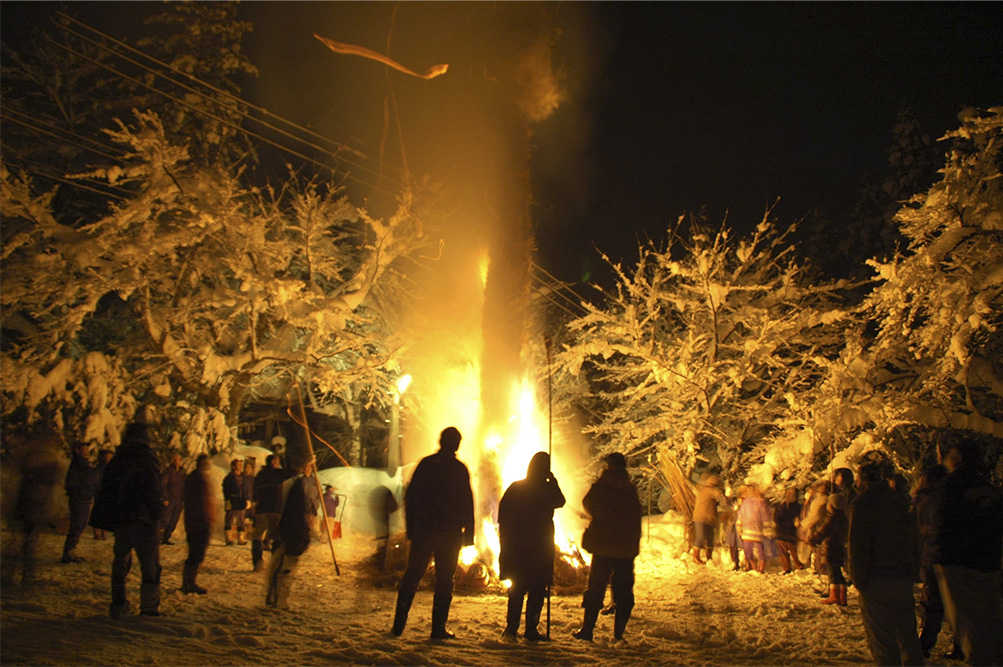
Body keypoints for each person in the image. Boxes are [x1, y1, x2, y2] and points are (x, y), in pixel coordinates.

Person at [391, 426, 475, 640]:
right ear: (455, 444)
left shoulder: (426, 465)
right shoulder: (458, 469)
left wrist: (411, 527)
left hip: (425, 531)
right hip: (449, 533)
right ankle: (438, 629)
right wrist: (469, 534)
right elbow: (467, 503)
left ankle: (398, 626)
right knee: (445, 580)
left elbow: (411, 498)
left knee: (412, 575)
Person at [847, 452, 924, 666]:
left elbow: (858, 544)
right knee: (907, 634)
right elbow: (914, 536)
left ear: (863, 480)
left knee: (882, 638)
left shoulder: (863, 504)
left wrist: (858, 577)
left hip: (877, 575)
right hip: (902, 573)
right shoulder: (899, 500)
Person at [929, 442, 1003, 666]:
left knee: (968, 621)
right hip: (988, 560)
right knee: (990, 617)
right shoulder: (987, 487)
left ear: (957, 459)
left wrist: (935, 553)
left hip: (956, 561)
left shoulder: (949, 487)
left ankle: (980, 660)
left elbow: (937, 522)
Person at [91, 420, 165, 618]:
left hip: (122, 519)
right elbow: (152, 489)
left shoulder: (118, 459)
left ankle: (118, 603)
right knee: (149, 565)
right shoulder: (146, 459)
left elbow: (106, 489)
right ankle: (149, 607)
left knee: (121, 562)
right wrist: (157, 513)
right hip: (143, 520)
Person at [573, 452, 642, 642]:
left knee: (596, 587)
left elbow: (588, 505)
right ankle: (619, 633)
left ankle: (587, 631)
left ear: (608, 467)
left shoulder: (601, 488)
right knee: (624, 590)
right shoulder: (630, 490)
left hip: (604, 547)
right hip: (625, 550)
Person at [498, 451, 566, 641]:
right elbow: (560, 501)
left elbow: (503, 515)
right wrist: (553, 481)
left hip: (520, 545)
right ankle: (530, 629)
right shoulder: (546, 489)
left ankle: (512, 629)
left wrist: (508, 538)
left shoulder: (516, 487)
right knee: (536, 589)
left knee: (519, 589)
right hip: (539, 545)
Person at [913, 464, 961, 659]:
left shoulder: (931, 499)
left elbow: (924, 528)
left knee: (933, 600)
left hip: (935, 555)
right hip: (949, 556)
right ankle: (956, 643)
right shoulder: (952, 497)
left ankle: (925, 642)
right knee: (952, 602)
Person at [4, 426, 62, 586]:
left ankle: (14, 572)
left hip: (29, 502)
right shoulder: (45, 456)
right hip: (35, 503)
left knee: (25, 540)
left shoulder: (33, 454)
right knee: (28, 541)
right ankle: (22, 573)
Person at [265, 458, 316, 609]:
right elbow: (294, 510)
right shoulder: (295, 485)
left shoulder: (289, 483)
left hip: (286, 528)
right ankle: (279, 599)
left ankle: (273, 596)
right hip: (291, 530)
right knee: (286, 567)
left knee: (280, 564)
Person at [251, 454, 295, 571]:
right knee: (275, 537)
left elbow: (254, 492)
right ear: (274, 462)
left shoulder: (259, 475)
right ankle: (276, 564)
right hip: (273, 510)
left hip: (260, 510)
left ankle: (257, 562)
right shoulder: (276, 473)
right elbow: (291, 471)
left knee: (257, 537)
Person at [181, 454, 215, 594]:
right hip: (198, 522)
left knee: (197, 554)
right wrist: (206, 518)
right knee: (196, 554)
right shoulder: (197, 480)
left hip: (199, 521)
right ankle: (188, 584)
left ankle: (190, 582)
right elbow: (200, 502)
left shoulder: (198, 478)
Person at [61, 441, 99, 563]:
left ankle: (70, 550)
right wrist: (100, 468)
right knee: (77, 524)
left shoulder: (81, 463)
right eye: (84, 448)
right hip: (80, 498)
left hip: (82, 498)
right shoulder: (79, 463)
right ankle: (68, 551)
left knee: (79, 524)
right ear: (77, 450)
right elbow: (89, 477)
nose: (87, 450)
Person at [811, 492, 849, 605]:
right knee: (837, 572)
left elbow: (823, 530)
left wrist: (813, 539)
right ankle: (842, 596)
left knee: (833, 572)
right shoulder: (843, 518)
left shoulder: (832, 518)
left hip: (831, 547)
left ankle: (834, 596)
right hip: (839, 547)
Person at [736, 483, 773, 573]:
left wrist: (739, 526)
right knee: (756, 549)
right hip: (751, 530)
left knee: (754, 549)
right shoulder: (750, 502)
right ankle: (756, 567)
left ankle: (758, 566)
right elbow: (741, 515)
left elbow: (765, 516)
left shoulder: (759, 502)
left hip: (753, 529)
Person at [691, 473, 724, 565]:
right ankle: (696, 557)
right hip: (702, 518)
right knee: (701, 537)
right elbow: (720, 497)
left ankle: (708, 557)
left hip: (705, 518)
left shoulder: (703, 490)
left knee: (709, 538)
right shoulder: (710, 490)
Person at [773, 487, 804, 574]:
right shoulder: (787, 506)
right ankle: (791, 567)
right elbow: (776, 518)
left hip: (787, 532)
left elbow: (776, 518)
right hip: (786, 532)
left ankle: (794, 566)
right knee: (787, 551)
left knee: (791, 551)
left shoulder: (783, 506)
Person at [159, 454, 185, 545]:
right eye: (178, 459)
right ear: (173, 460)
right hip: (169, 499)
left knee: (174, 520)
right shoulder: (168, 471)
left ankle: (166, 537)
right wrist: (165, 497)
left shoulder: (182, 473)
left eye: (180, 459)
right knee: (165, 519)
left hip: (179, 500)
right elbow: (163, 484)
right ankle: (159, 537)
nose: (180, 461)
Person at [222, 458, 246, 545]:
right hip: (232, 500)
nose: (240, 466)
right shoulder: (229, 478)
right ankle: (228, 538)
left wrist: (247, 498)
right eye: (238, 465)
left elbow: (246, 489)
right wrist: (227, 500)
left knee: (241, 520)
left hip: (241, 501)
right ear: (233, 466)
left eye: (240, 464)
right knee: (230, 519)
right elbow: (226, 489)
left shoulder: (243, 477)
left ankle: (241, 538)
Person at [92, 449, 114, 541]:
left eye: (110, 457)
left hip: (107, 492)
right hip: (100, 492)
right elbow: (97, 479)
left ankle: (103, 533)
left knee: (106, 512)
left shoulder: (112, 467)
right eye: (107, 457)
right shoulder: (100, 467)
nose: (109, 459)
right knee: (98, 511)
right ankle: (96, 532)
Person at [241, 458, 256, 541]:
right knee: (242, 516)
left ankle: (252, 534)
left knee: (252, 517)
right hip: (243, 500)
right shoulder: (242, 477)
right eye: (246, 467)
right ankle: (242, 534)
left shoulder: (253, 479)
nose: (247, 469)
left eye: (249, 467)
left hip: (251, 500)